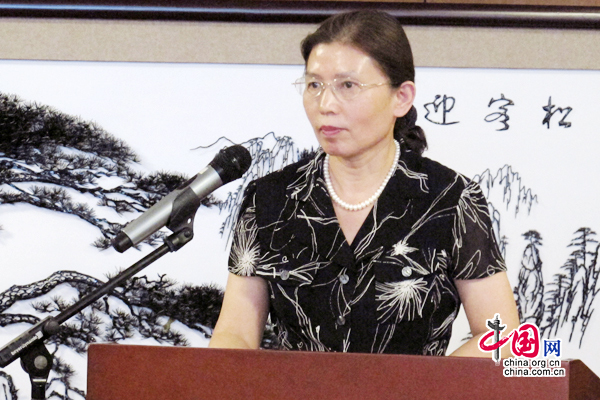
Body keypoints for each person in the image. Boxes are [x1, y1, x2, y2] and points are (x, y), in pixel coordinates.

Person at [209, 10, 519, 357]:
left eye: (347, 86)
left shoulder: (449, 199)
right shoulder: (268, 199)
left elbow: (503, 338)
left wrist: (422, 388)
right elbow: (234, 333)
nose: (325, 104)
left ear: (401, 97)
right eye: (314, 85)